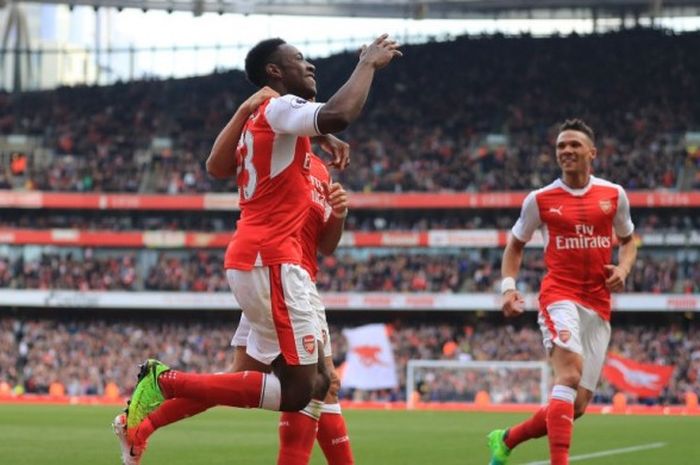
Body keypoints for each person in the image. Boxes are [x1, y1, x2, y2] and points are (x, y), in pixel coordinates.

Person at [115, 34, 400, 465]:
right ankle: (164, 380)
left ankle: (141, 426)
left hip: (280, 268)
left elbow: (324, 243)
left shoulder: (298, 147)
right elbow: (338, 114)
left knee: (307, 382)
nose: (311, 66)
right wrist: (367, 64)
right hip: (274, 265)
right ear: (274, 72)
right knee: (304, 389)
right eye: (300, 59)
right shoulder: (278, 108)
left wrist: (336, 213)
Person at [487, 119, 637, 465]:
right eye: (560, 147)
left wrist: (624, 269)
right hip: (559, 296)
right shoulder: (540, 199)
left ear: (592, 153)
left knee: (578, 405)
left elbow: (629, 242)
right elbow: (515, 245)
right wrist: (508, 289)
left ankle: (507, 439)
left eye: (574, 145)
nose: (566, 151)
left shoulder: (613, 195)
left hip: (599, 304)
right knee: (567, 375)